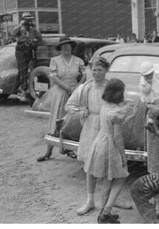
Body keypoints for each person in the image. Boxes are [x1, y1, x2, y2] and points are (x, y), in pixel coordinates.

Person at [83, 78, 135, 223]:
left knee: (107, 179)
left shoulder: (105, 106)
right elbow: (118, 137)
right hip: (110, 145)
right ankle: (106, 211)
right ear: (119, 93)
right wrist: (123, 156)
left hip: (100, 142)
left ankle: (103, 213)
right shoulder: (117, 113)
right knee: (121, 177)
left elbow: (128, 104)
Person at [65, 57, 109, 215]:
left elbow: (122, 103)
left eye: (100, 70)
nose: (97, 73)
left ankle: (109, 200)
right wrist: (80, 112)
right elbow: (69, 105)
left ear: (106, 70)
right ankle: (90, 200)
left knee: (107, 162)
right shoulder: (85, 87)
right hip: (91, 126)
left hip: (107, 126)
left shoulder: (111, 86)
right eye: (94, 70)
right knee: (90, 165)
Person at [37, 36, 85, 162]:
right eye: (63, 46)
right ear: (60, 48)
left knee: (72, 120)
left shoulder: (78, 60)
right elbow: (53, 77)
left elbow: (85, 76)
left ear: (71, 47)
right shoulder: (55, 60)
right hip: (60, 92)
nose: (66, 49)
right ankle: (48, 151)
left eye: (68, 46)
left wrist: (77, 88)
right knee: (56, 119)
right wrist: (68, 89)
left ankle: (69, 148)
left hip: (75, 93)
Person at [11, 12, 42, 100]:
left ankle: (19, 89)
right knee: (22, 69)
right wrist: (20, 25)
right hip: (21, 49)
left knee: (29, 69)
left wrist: (34, 28)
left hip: (29, 49)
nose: (28, 21)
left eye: (29, 19)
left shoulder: (33, 28)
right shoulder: (20, 27)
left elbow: (40, 37)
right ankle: (22, 90)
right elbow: (13, 33)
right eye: (26, 19)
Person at [139, 61, 159, 129]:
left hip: (157, 97)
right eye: (146, 75)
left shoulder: (155, 76)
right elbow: (145, 91)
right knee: (151, 111)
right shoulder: (143, 81)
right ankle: (150, 123)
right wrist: (149, 84)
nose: (149, 76)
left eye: (151, 74)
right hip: (150, 99)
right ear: (142, 75)